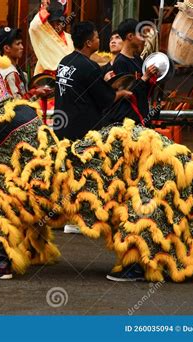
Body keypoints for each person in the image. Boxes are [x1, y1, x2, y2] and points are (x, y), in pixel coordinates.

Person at [53, 21, 131, 236]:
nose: (100, 40)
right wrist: (122, 93)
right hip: (82, 129)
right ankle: (78, 219)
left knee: (64, 173)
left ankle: (60, 215)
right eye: (97, 37)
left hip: (62, 125)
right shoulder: (89, 67)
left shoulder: (64, 62)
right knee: (84, 175)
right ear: (88, 43)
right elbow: (105, 99)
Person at [106, 18, 157, 126]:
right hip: (128, 119)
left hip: (142, 112)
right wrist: (145, 77)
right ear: (130, 36)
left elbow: (144, 90)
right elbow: (127, 93)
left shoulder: (138, 59)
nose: (143, 38)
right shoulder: (120, 62)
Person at [0, 26, 51, 99]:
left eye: (21, 43)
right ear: (6, 48)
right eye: (18, 44)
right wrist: (35, 93)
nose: (22, 47)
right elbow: (16, 104)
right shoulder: (9, 74)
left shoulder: (16, 71)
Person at [28, 0, 74, 76]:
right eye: (52, 23)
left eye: (59, 22)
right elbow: (33, 27)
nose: (56, 26)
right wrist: (44, 9)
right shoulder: (45, 35)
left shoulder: (70, 38)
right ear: (48, 24)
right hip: (47, 78)